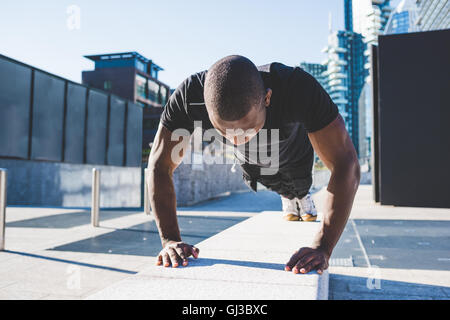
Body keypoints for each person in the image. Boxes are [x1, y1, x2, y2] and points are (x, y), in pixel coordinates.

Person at [147, 55, 360, 274]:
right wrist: (170, 240)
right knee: (267, 180)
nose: (236, 139)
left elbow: (346, 164)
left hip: (294, 149)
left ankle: (301, 196)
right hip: (252, 159)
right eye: (224, 131)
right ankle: (288, 196)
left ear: (267, 98)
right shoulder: (188, 97)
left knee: (299, 182)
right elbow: (159, 166)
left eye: (246, 130)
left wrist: (323, 246)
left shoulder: (297, 87)